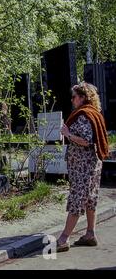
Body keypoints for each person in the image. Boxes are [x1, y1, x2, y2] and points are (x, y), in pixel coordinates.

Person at [57, 82, 109, 252]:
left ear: (82, 97)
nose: (72, 100)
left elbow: (86, 140)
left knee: (77, 198)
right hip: (92, 164)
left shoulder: (83, 115)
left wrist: (68, 134)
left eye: (74, 97)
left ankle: (64, 238)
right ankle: (90, 234)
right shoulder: (95, 113)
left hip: (83, 166)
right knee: (90, 198)